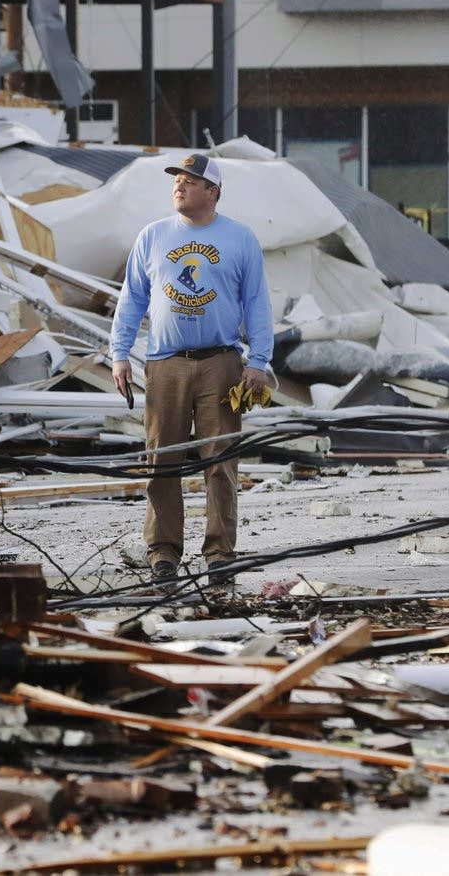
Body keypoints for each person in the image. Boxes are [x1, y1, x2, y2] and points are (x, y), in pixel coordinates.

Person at [109, 153, 273, 586]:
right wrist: (119, 353)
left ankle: (220, 554)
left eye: (190, 181)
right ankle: (163, 553)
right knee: (161, 460)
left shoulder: (240, 238)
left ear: (213, 192)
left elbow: (257, 301)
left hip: (221, 362)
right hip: (165, 364)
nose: (178, 187)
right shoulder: (153, 236)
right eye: (177, 180)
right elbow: (132, 300)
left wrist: (258, 361)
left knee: (220, 462)